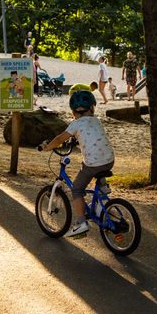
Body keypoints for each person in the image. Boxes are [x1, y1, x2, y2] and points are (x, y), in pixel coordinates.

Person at [37, 90, 115, 238]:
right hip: (109, 160)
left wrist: (48, 147)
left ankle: (81, 222)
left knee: (77, 189)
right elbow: (91, 136)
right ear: (92, 108)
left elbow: (60, 139)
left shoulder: (76, 124)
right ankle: (103, 192)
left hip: (93, 164)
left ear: (73, 111)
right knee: (95, 163)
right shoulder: (96, 120)